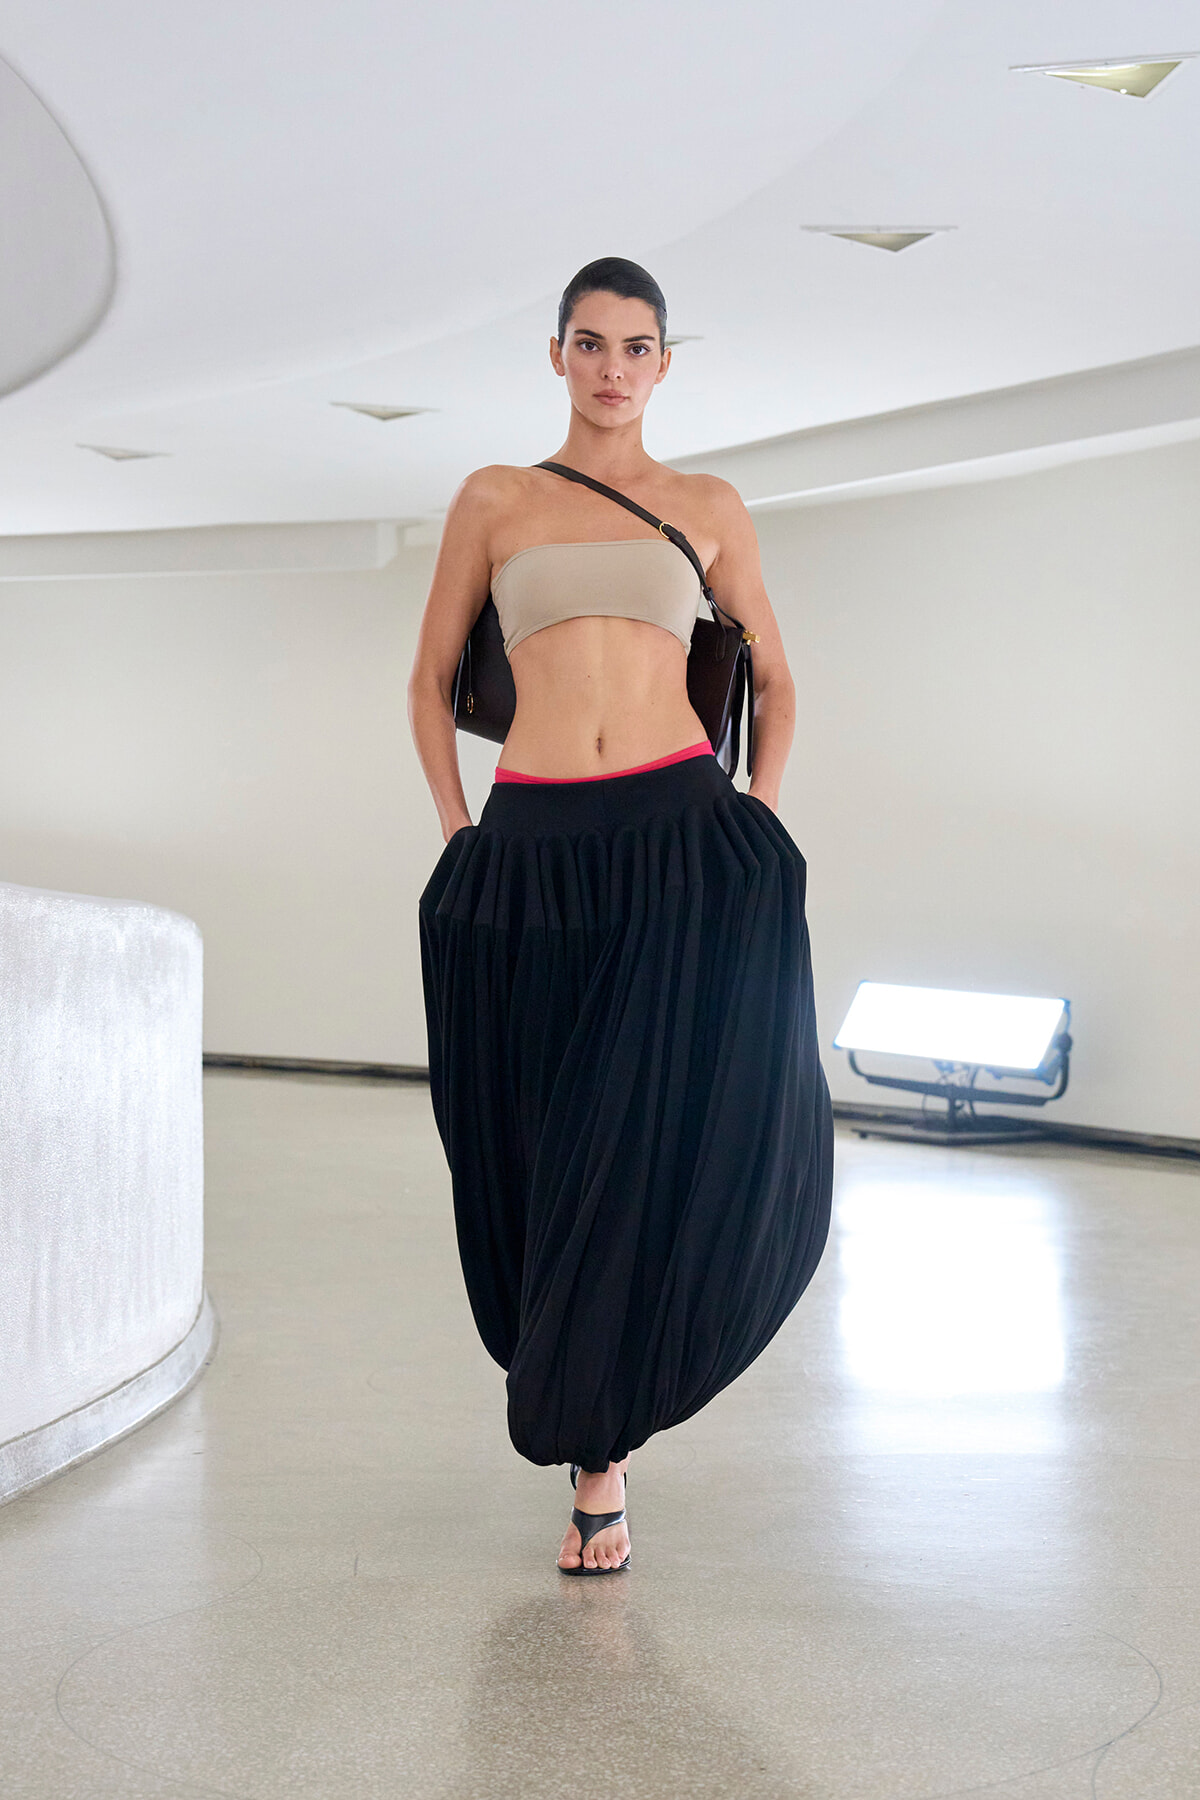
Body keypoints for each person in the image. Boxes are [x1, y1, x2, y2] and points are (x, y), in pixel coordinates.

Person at [409, 257, 833, 1575]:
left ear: (664, 363)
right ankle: (584, 1404)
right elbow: (428, 681)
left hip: (675, 834)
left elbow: (774, 673)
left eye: (636, 347)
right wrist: (460, 833)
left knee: (635, 1137)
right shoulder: (494, 498)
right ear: (557, 356)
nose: (611, 369)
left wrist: (757, 816)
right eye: (589, 344)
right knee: (543, 1135)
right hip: (533, 843)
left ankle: (603, 1460)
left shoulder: (707, 505)